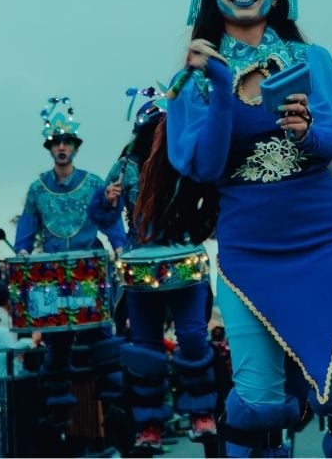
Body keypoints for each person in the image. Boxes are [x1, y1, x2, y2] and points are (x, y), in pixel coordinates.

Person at [132, 0, 332, 457]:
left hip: (322, 242)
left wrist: (305, 132)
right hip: (249, 253)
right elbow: (200, 165)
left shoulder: (312, 58)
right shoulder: (191, 83)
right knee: (259, 400)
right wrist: (221, 89)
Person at [96, 93, 219, 453]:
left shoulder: (187, 158)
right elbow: (103, 216)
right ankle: (148, 424)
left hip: (184, 260)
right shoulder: (124, 166)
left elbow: (212, 197)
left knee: (194, 336)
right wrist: (107, 202)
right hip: (140, 268)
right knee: (145, 349)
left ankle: (202, 412)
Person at [13, 98, 128, 442]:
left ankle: (115, 415)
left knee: (101, 342)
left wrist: (119, 243)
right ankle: (58, 418)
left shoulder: (93, 183)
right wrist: (21, 252)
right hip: (51, 275)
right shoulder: (37, 188)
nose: (62, 148)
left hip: (87, 273)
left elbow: (109, 221)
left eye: (67, 143)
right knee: (57, 345)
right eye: (56, 143)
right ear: (51, 149)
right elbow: (27, 232)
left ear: (74, 148)